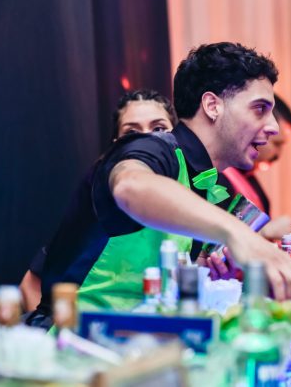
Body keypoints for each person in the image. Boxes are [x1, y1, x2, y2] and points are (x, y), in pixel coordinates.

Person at [27, 43, 291, 328]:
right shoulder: (154, 149)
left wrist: (211, 269)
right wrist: (238, 235)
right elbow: (131, 187)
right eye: (260, 109)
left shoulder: (208, 184)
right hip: (73, 341)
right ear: (212, 106)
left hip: (142, 343)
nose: (273, 127)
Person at [19, 89, 177, 312]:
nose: (147, 140)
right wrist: (60, 328)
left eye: (158, 129)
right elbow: (32, 283)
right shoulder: (100, 200)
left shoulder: (194, 194)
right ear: (117, 143)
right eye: (131, 132)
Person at [222, 94, 291, 240]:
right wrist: (266, 231)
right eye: (277, 144)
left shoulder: (249, 177)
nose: (278, 154)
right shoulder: (217, 175)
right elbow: (215, 244)